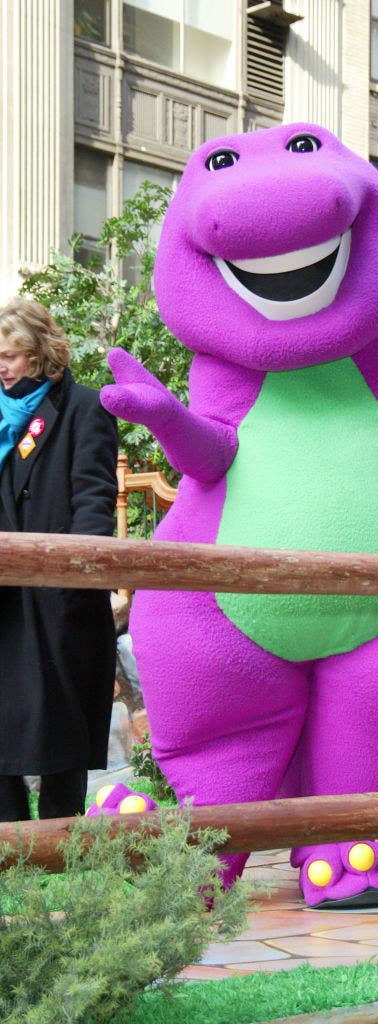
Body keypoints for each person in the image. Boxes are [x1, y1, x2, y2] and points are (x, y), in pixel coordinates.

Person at [0, 297, 118, 821]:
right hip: (4, 607)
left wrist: (72, 580)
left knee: (61, 738)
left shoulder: (83, 407)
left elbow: (93, 499)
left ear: (42, 353)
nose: (1, 367)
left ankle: (62, 860)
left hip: (57, 604)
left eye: (11, 355)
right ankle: (14, 861)